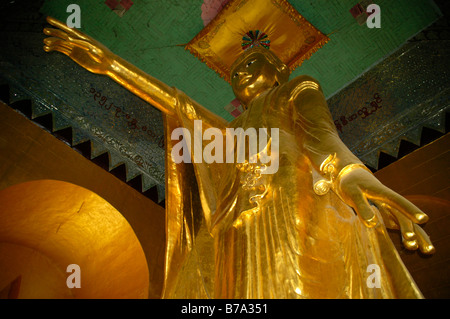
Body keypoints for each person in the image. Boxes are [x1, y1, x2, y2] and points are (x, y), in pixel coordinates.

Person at [43, 16, 434, 298]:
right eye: (235, 73)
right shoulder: (229, 132)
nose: (241, 74)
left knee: (295, 281)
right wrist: (112, 65)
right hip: (236, 213)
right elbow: (180, 106)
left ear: (278, 69)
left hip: (287, 193)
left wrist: (350, 173)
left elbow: (322, 135)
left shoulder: (294, 90)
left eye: (250, 63)